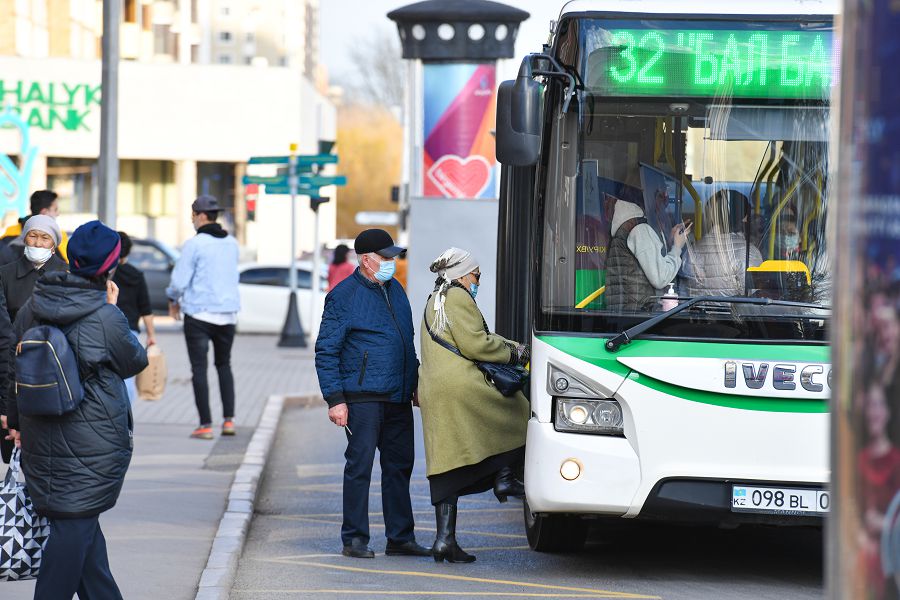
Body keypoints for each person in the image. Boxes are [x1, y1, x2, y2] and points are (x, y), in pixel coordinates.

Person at [5, 220, 148, 599]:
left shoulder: (35, 304)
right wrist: (113, 309)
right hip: (92, 442)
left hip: (41, 435)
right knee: (73, 534)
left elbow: (15, 368)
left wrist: (16, 421)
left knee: (82, 532)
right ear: (109, 267)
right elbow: (134, 361)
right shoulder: (104, 315)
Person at [315, 228, 430, 559]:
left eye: (393, 256)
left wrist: (415, 382)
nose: (392, 262)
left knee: (399, 467)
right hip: (363, 397)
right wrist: (335, 399)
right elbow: (326, 350)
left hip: (397, 396)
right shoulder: (343, 296)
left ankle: (400, 537)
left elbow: (404, 343)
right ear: (366, 260)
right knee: (360, 467)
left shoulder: (396, 290)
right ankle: (354, 539)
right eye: (386, 257)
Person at [418, 248, 530, 563]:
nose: (478, 280)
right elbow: (476, 343)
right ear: (464, 274)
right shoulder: (457, 297)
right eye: (477, 275)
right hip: (460, 386)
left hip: (436, 389)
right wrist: (516, 352)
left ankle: (444, 540)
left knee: (447, 466)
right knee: (518, 413)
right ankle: (505, 478)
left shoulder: (436, 298)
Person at [166, 195, 240, 440]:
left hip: (199, 313)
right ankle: (229, 421)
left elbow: (179, 281)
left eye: (192, 216)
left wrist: (172, 298)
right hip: (228, 314)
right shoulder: (232, 243)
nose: (192, 221)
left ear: (200, 216)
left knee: (199, 368)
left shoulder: (195, 244)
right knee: (224, 365)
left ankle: (205, 425)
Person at [0, 215, 68, 463]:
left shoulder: (66, 275)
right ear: (24, 237)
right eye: (33, 235)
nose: (38, 243)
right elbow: (3, 331)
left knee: (49, 455)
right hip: (11, 369)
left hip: (53, 372)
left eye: (45, 237)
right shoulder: (5, 274)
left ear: (54, 243)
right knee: (15, 455)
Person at [605, 195, 690, 311]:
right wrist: (677, 248)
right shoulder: (640, 230)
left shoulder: (625, 227)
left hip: (625, 311)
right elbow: (660, 277)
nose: (664, 202)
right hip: (638, 314)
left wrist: (670, 242)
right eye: (660, 196)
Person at [683, 190, 763, 297]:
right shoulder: (749, 252)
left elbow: (684, 291)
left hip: (694, 312)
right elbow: (753, 297)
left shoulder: (692, 250)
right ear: (744, 218)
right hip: (732, 313)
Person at [113, 231, 157, 404]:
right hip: (130, 331)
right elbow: (146, 309)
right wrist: (152, 335)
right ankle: (126, 418)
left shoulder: (105, 274)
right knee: (128, 377)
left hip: (107, 329)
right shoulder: (136, 275)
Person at [0, 189, 70, 264]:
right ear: (44, 213)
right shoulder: (58, 236)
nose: (58, 214)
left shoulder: (10, 232)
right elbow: (66, 267)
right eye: (55, 210)